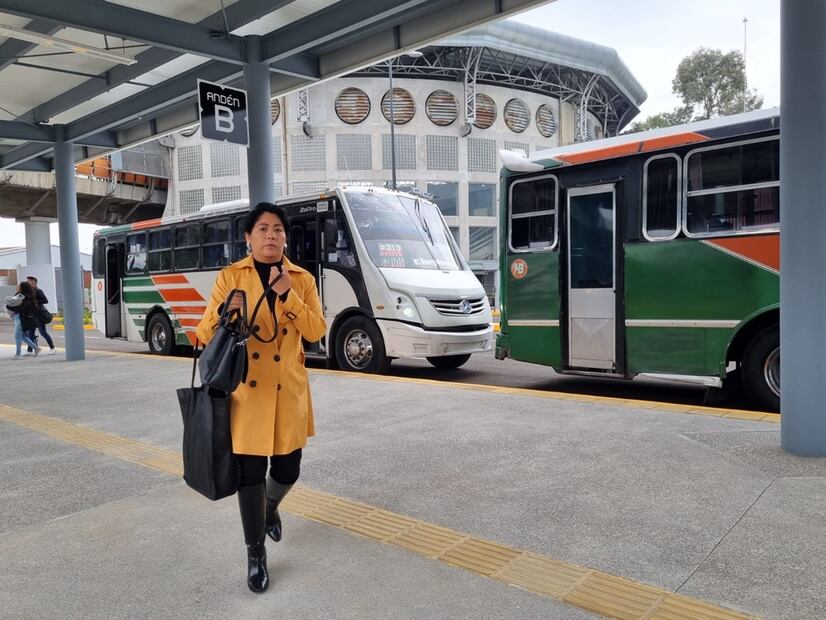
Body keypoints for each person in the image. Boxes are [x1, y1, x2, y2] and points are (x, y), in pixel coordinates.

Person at [196, 202, 326, 594]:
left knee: (288, 469)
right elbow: (204, 333)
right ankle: (256, 553)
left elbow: (316, 330)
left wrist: (289, 296)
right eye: (263, 229)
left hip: (287, 390)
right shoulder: (230, 277)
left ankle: (269, 507)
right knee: (250, 475)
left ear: (285, 238)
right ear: (248, 237)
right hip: (248, 395)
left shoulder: (301, 279)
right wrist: (224, 313)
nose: (271, 235)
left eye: (278, 230)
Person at [5, 282, 41, 360]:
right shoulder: (22, 296)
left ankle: (18, 354)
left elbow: (20, 308)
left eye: (19, 286)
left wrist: (9, 307)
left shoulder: (26, 298)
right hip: (18, 317)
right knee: (21, 336)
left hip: (21, 318)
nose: (18, 287)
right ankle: (36, 348)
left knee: (17, 336)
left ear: (23, 288)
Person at [25, 276, 56, 355]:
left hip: (39, 316)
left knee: (43, 333)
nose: (27, 283)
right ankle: (29, 351)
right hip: (32, 316)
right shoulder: (28, 292)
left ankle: (52, 348)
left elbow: (45, 300)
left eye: (28, 282)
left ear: (33, 283)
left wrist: (35, 301)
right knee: (30, 333)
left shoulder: (38, 291)